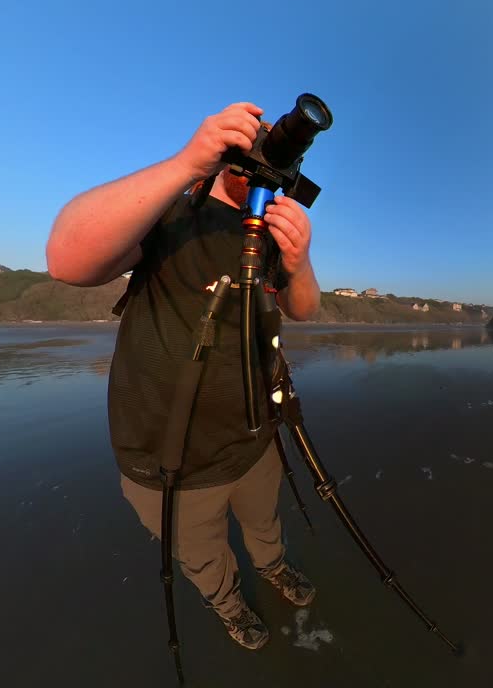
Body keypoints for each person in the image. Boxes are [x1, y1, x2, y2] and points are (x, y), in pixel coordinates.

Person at [45, 102, 321, 651]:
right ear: (229, 154)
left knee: (266, 525)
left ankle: (273, 567)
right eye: (259, 146)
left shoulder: (263, 235)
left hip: (256, 440)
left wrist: (299, 258)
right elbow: (67, 260)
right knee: (200, 551)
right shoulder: (171, 214)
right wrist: (186, 163)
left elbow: (304, 308)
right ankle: (228, 603)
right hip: (169, 461)